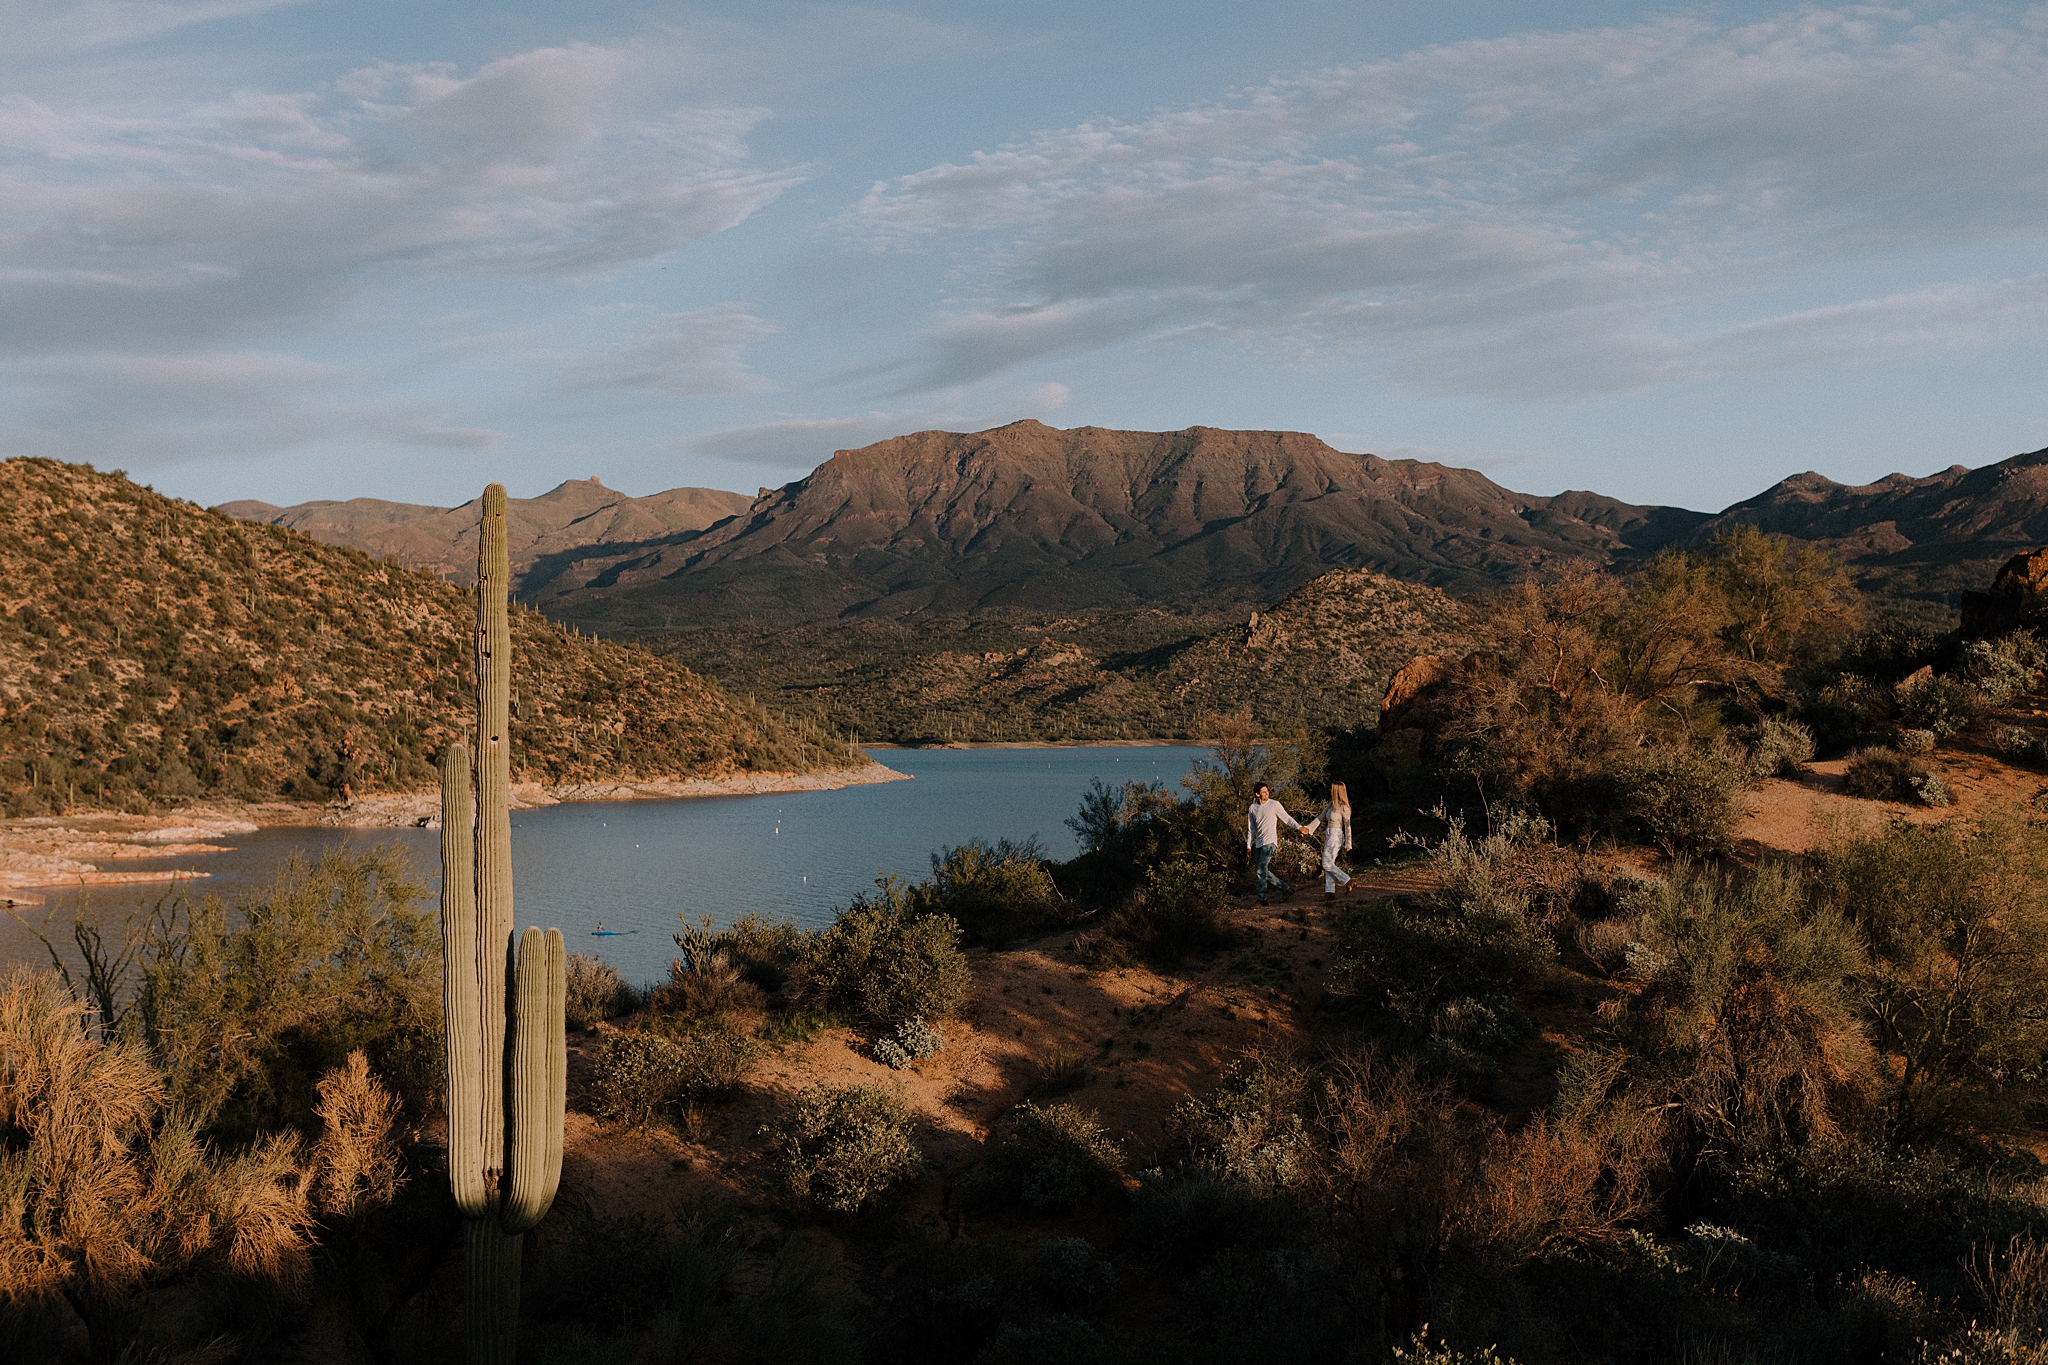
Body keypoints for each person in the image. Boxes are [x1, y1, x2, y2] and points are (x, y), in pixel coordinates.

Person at [1245, 780, 1303, 905]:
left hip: (1270, 842)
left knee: (1261, 870)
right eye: (1264, 792)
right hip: (1259, 843)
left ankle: (1262, 899)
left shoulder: (1274, 804)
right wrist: (1248, 846)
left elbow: (1286, 818)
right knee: (1261, 870)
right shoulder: (1252, 808)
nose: (1267, 794)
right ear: (1257, 794)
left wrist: (1299, 827)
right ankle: (1286, 889)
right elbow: (1251, 829)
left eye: (1267, 791)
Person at [1316, 782, 1353, 901]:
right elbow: (1320, 817)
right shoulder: (1331, 804)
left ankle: (1347, 880)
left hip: (1336, 835)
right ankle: (1329, 892)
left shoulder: (1344, 807)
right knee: (1329, 863)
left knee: (1326, 863)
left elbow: (1347, 826)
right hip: (1329, 834)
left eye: (1333, 789)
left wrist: (1348, 843)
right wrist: (1307, 829)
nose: (1330, 791)